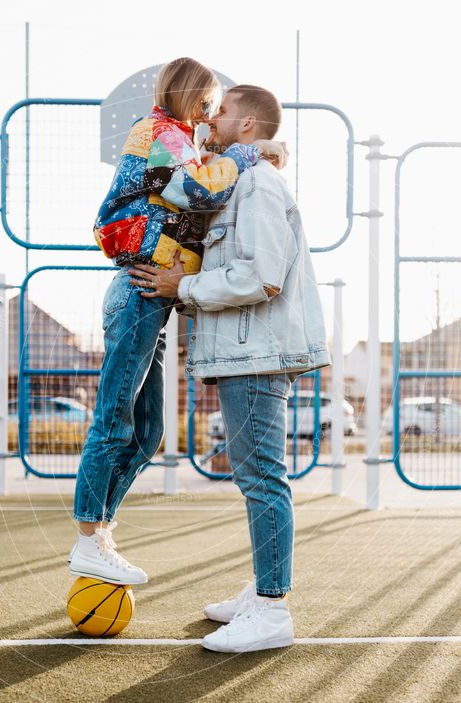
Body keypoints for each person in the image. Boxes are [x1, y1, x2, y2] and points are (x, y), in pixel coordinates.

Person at [128, 84, 332, 652]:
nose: (210, 118)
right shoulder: (241, 181)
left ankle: (271, 611)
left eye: (221, 112)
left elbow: (260, 276)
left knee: (264, 478)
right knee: (254, 477)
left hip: (258, 356)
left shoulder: (260, 186)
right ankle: (262, 592)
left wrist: (181, 285)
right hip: (245, 354)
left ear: (247, 127)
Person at [69, 59, 285, 586]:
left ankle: (101, 532)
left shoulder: (179, 139)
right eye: (210, 104)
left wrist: (248, 150)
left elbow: (202, 171)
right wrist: (244, 151)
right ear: (191, 97)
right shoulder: (156, 132)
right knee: (116, 417)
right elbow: (198, 192)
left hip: (154, 300)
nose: (212, 115)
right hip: (139, 290)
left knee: (148, 432)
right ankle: (86, 539)